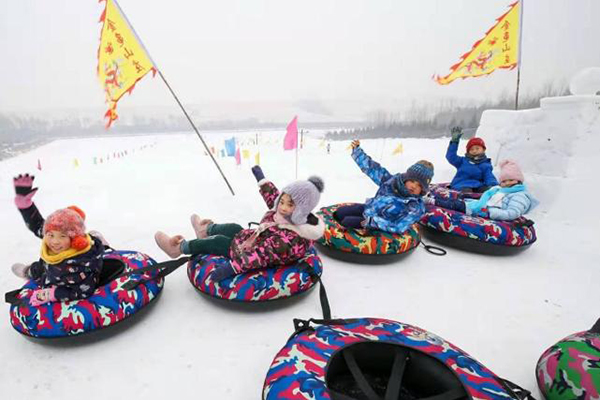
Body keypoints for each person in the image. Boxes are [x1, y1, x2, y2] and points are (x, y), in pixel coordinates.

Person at [154, 166, 325, 281]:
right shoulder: (282, 213)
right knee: (234, 228)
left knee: (219, 241)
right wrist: (262, 180)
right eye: (283, 201)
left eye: (290, 204)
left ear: (302, 210)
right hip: (253, 238)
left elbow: (261, 255)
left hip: (247, 251)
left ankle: (178, 249)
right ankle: (204, 230)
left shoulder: (289, 240)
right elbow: (273, 196)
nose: (283, 207)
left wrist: (232, 268)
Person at [11, 174, 105, 306]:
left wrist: (51, 294)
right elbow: (37, 224)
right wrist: (25, 206)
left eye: (62, 236)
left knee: (43, 273)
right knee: (39, 268)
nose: (54, 241)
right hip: (49, 267)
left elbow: (83, 291)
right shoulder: (52, 238)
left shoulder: (79, 265)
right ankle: (29, 271)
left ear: (75, 239)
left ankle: (99, 244)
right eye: (50, 235)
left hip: (61, 274)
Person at [334, 140, 434, 234]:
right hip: (369, 209)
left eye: (419, 185)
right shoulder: (391, 182)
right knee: (340, 212)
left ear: (423, 189)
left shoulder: (415, 207)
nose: (413, 186)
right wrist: (357, 152)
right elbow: (373, 169)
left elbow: (399, 226)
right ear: (406, 179)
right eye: (412, 181)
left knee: (347, 222)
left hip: (377, 223)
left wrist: (372, 222)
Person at [424, 160, 538, 221]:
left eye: (511, 180)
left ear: (518, 180)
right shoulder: (500, 190)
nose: (507, 183)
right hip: (477, 205)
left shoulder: (519, 196)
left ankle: (432, 201)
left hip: (483, 210)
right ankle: (433, 198)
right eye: (504, 181)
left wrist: (490, 213)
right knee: (457, 200)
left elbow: (512, 212)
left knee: (455, 205)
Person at [446, 126, 498, 193]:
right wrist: (454, 142)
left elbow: (489, 176)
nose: (474, 151)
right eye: (471, 149)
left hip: (477, 185)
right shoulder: (463, 161)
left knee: (485, 190)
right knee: (467, 191)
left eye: (477, 148)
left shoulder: (485, 164)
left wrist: (493, 185)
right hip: (461, 184)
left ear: (483, 149)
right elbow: (451, 157)